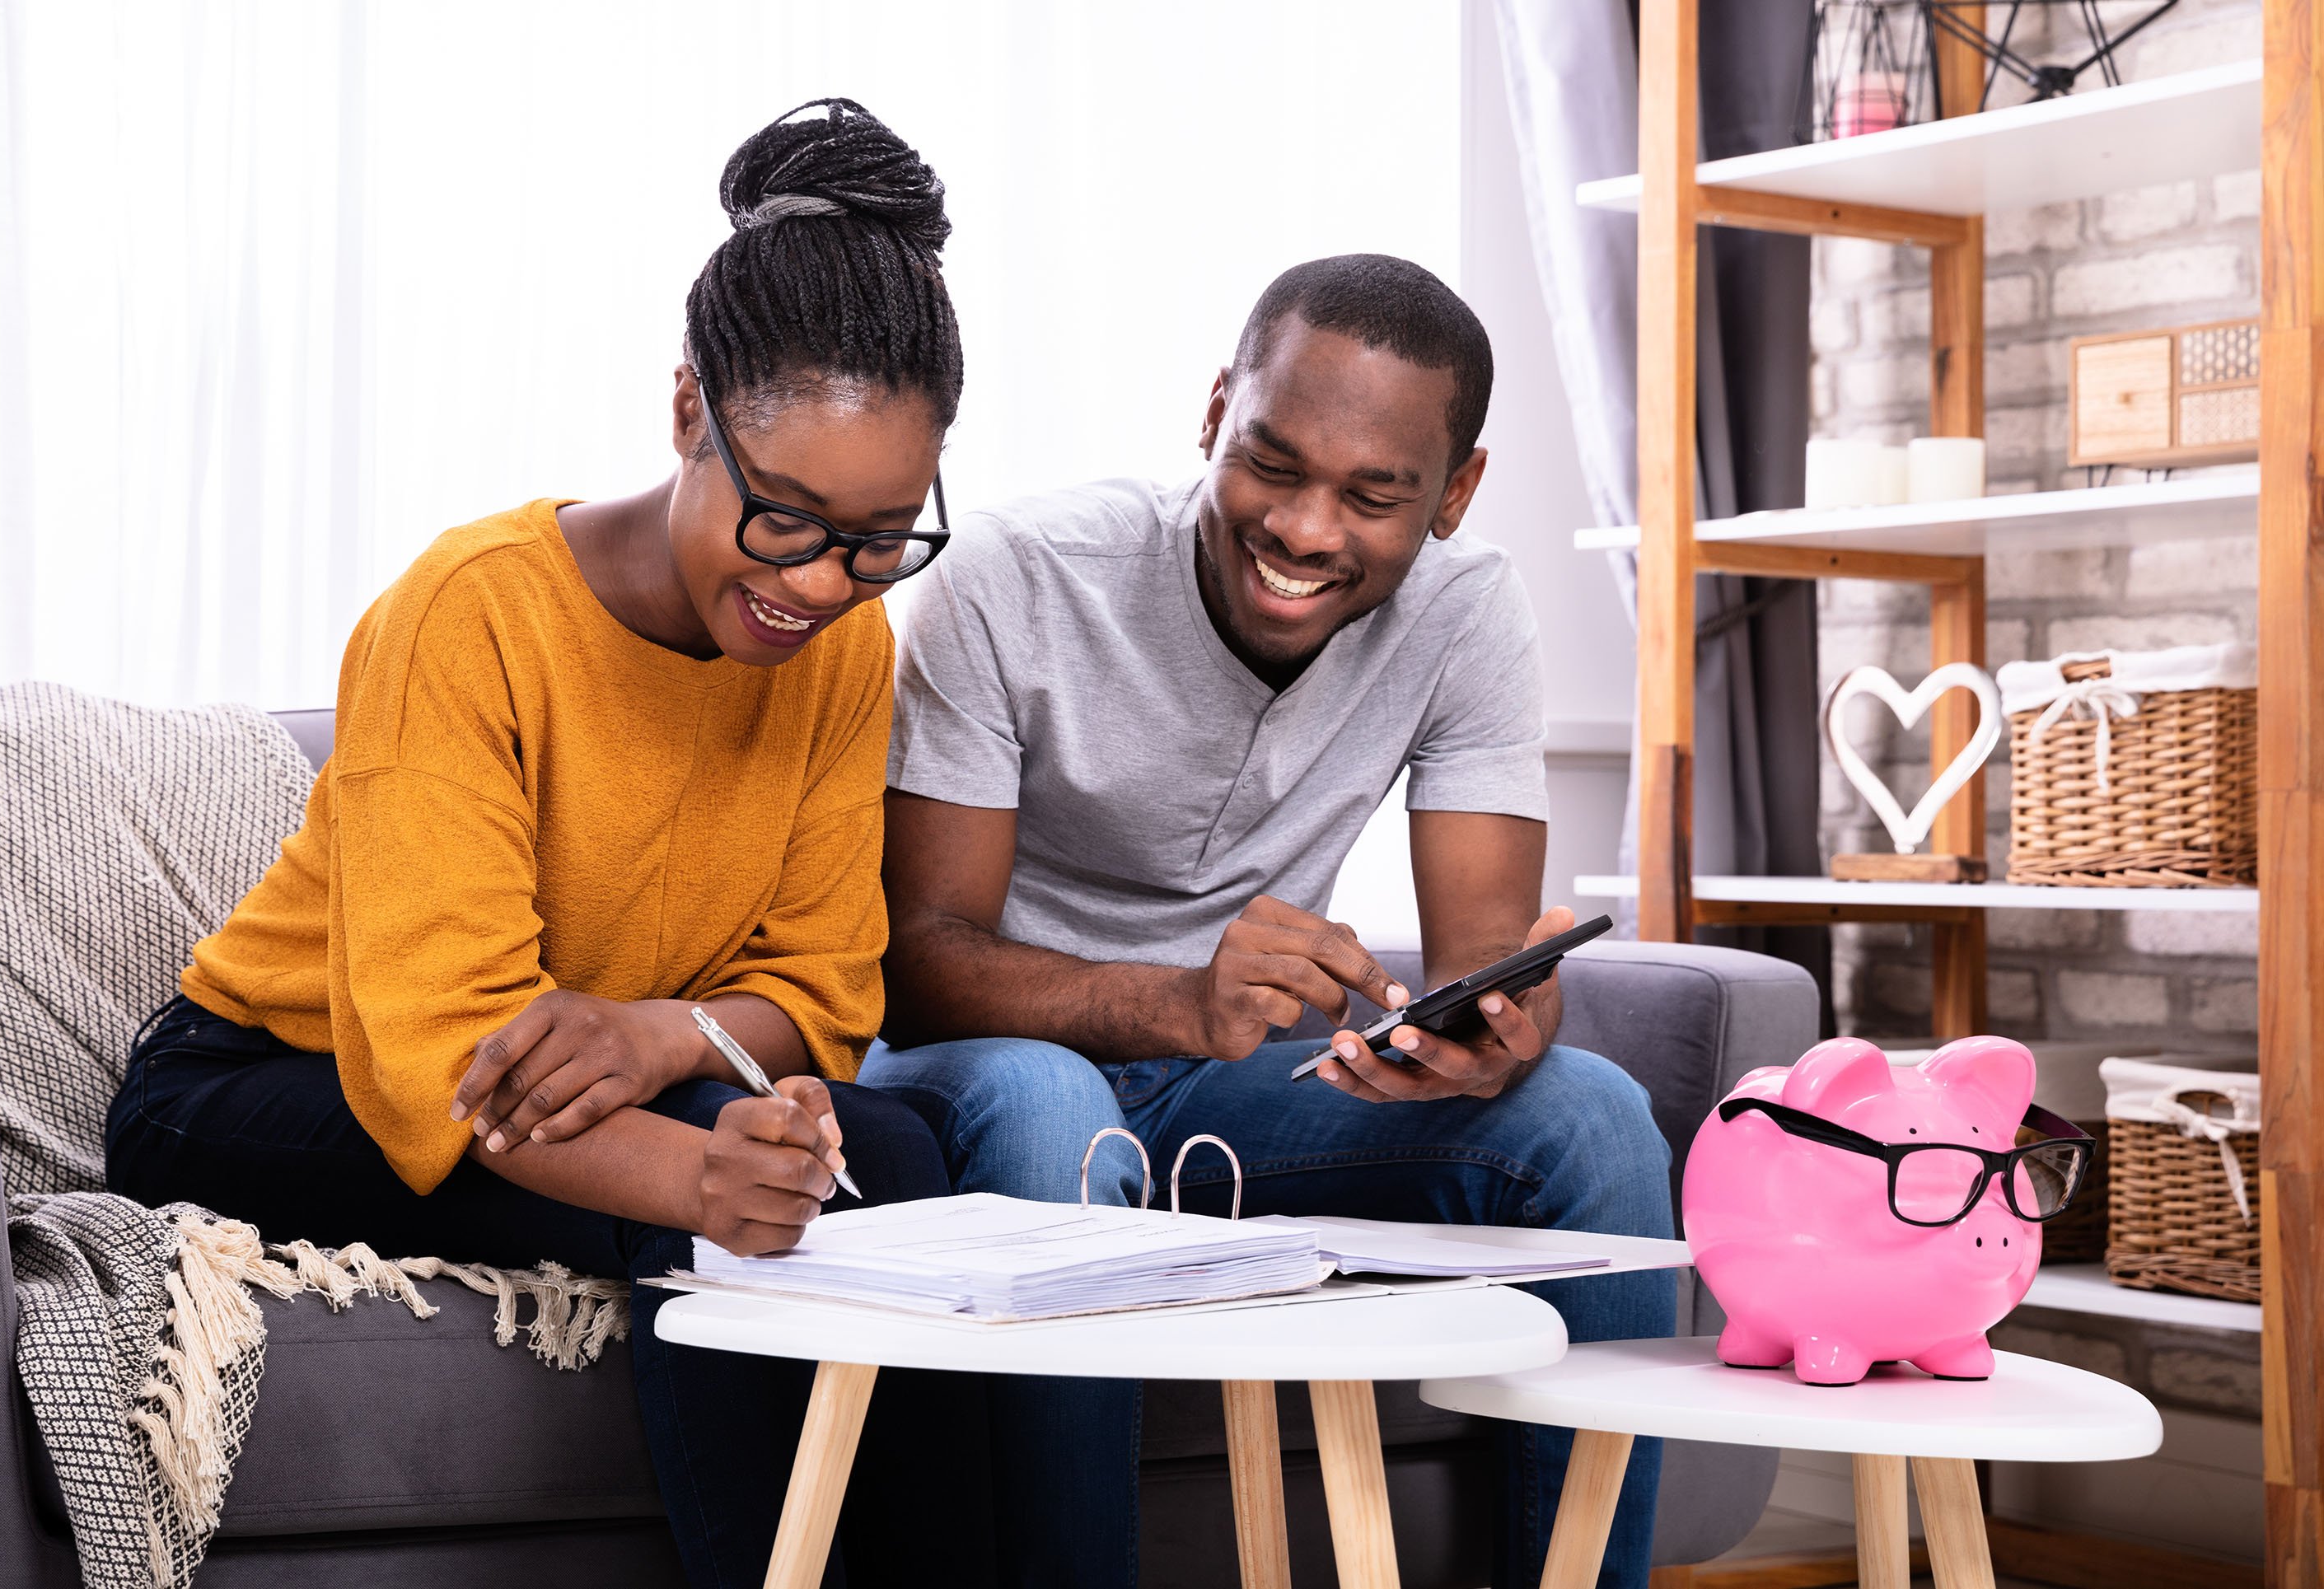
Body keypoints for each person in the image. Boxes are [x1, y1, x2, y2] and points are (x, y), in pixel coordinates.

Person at [105, 99, 994, 1588]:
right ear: (687, 411)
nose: (826, 581)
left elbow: (829, 996)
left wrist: (659, 1038)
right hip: (264, 1082)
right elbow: (435, 1055)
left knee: (899, 1149)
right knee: (731, 1190)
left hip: (575, 1063)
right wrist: (708, 1167)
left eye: (882, 534)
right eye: (785, 521)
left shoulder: (845, 644)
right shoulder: (471, 614)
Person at [865, 254, 1676, 1589]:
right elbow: (919, 964)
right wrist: (1171, 998)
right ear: (1211, 415)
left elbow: (1480, 967)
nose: (1304, 530)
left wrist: (1501, 1030)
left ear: (1455, 493)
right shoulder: (1019, 572)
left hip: (1228, 1090)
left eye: (1372, 495)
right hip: (989, 1063)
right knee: (1050, 1109)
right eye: (1272, 464)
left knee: (1588, 1115)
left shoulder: (1468, 615)